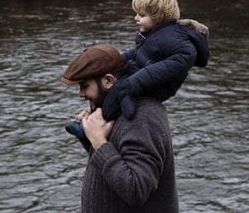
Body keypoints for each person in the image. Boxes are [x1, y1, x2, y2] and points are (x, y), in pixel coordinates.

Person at [66, 0, 209, 146]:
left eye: (141, 15)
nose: (136, 18)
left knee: (119, 90)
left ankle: (95, 125)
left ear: (158, 17)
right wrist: (115, 62)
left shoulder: (177, 40)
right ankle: (92, 119)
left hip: (157, 86)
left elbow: (174, 64)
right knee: (111, 87)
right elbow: (137, 54)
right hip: (142, 74)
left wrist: (135, 82)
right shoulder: (151, 34)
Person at [61, 44, 179, 212]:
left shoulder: (142, 116)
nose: (80, 94)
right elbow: (117, 162)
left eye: (84, 86)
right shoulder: (116, 109)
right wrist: (89, 136)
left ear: (108, 81)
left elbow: (136, 189)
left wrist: (99, 142)